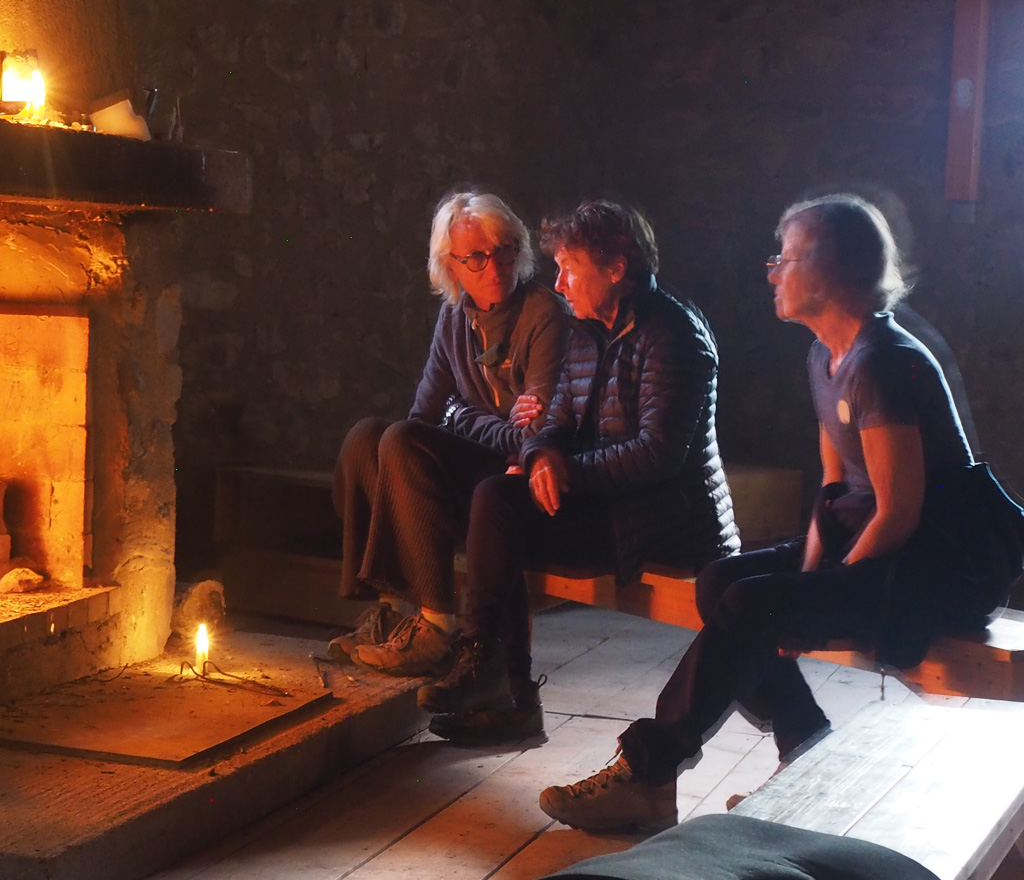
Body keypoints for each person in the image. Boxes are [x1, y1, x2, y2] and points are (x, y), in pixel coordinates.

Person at [538, 194, 996, 833]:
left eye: (786, 256)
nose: (772, 269)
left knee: (754, 606)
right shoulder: (824, 356)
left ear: (831, 269)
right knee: (722, 580)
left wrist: (812, 595)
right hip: (879, 551)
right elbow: (835, 491)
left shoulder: (884, 362)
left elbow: (898, 511)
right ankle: (808, 749)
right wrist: (808, 579)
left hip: (931, 571)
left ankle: (649, 769)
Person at [417, 201, 740, 746]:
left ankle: (504, 686)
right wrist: (542, 454)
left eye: (570, 268)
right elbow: (555, 419)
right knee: (499, 497)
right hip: (611, 505)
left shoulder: (673, 335)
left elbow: (656, 454)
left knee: (504, 511)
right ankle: (491, 670)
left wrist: (566, 471)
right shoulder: (587, 329)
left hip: (667, 520)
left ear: (616, 267)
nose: (559, 283)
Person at [328, 191, 571, 676]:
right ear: (451, 265)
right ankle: (391, 610)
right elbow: (425, 413)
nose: (494, 265)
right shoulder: (455, 316)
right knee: (366, 437)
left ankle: (437, 625)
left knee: (401, 441)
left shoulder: (543, 312)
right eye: (477, 257)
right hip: (483, 457)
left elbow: (535, 433)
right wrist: (476, 421)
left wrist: (464, 418)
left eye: (503, 250)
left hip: (511, 479)